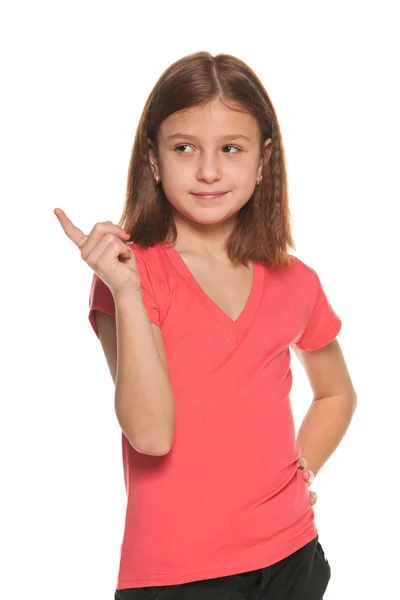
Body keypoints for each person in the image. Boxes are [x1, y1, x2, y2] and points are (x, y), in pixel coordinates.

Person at [55, 51, 357, 599]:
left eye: (231, 149)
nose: (209, 170)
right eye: (185, 148)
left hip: (293, 558)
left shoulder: (297, 280)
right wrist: (125, 290)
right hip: (178, 576)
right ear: (152, 158)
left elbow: (336, 394)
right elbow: (150, 433)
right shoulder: (131, 274)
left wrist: (301, 472)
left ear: (264, 160)